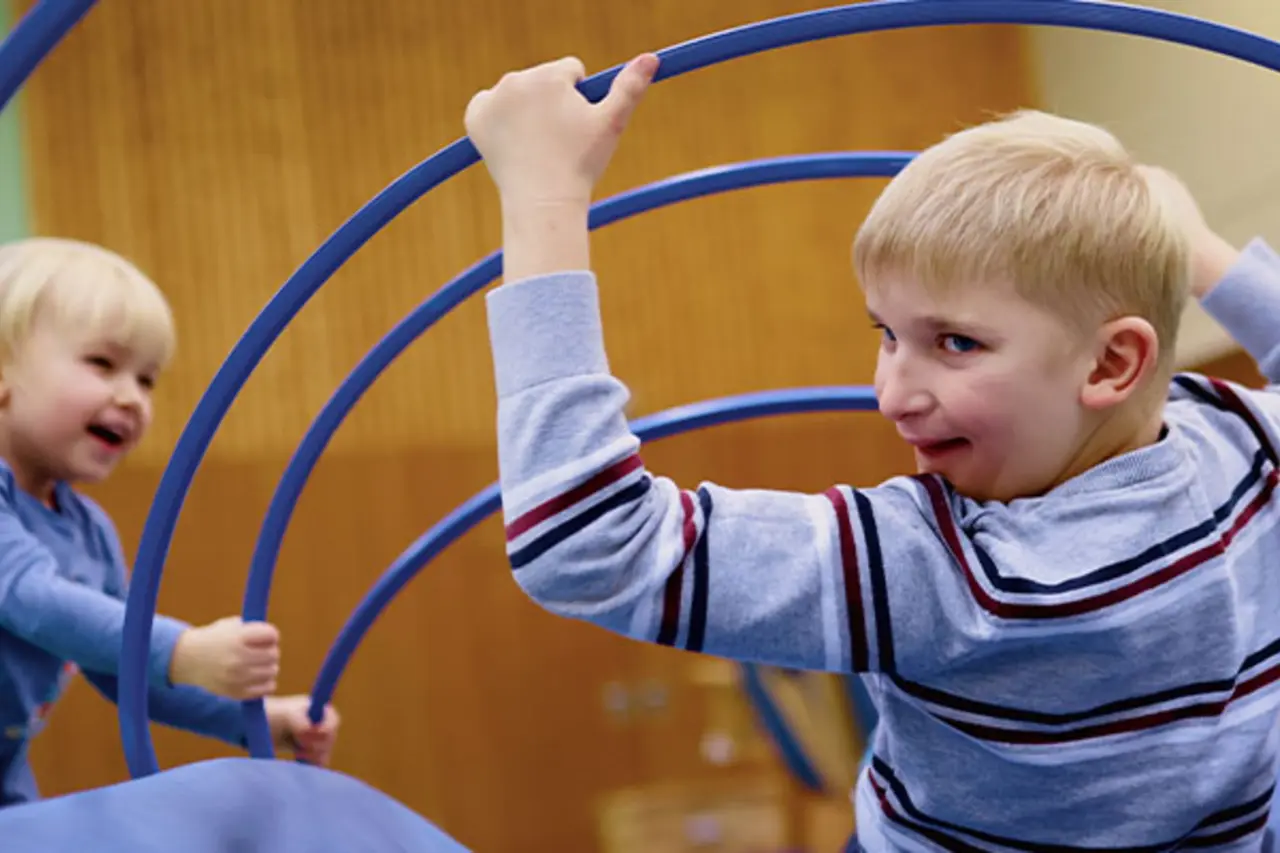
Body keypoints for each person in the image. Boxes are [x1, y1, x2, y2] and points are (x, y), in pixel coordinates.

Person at [465, 53, 1280, 849]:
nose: (892, 392)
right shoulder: (1243, 445)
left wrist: (544, 198)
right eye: (886, 334)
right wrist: (1200, 252)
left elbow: (585, 539)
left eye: (955, 342)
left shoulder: (958, 575)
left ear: (1110, 363)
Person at [0, 237, 340, 807]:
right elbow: (30, 596)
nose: (132, 397)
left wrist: (250, 718)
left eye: (147, 379)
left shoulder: (89, 532)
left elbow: (125, 670)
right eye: (102, 364)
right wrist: (182, 649)